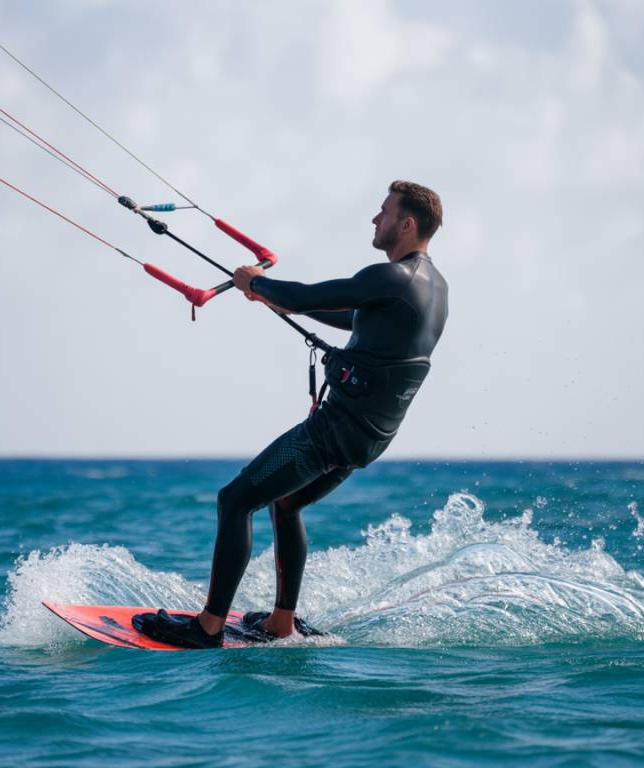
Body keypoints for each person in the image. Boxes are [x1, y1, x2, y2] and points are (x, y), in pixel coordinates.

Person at [133, 181, 449, 648]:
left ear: (407, 224)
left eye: (383, 212)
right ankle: (282, 622)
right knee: (286, 502)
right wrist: (269, 296)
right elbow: (353, 317)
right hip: (369, 439)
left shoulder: (394, 277)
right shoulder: (433, 285)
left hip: (333, 432)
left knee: (235, 500)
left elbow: (313, 296)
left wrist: (255, 282)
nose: (374, 219)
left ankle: (208, 628)